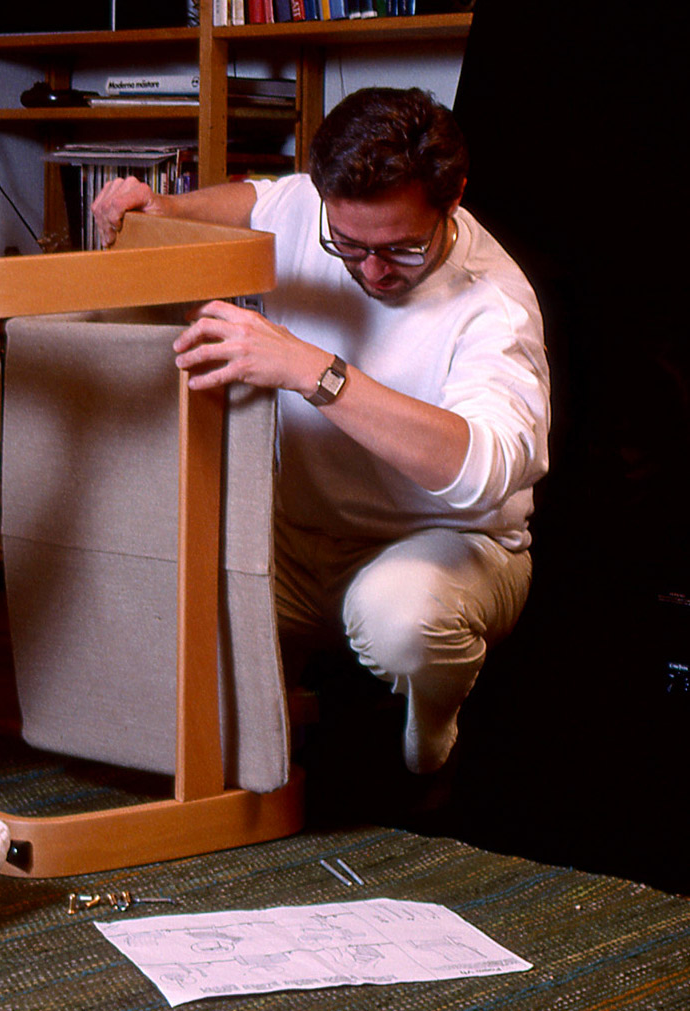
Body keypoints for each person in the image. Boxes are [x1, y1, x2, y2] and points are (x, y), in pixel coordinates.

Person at [91, 87, 549, 783]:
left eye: (398, 248)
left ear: (452, 197)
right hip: (299, 536)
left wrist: (315, 372)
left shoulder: (495, 305)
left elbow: (485, 469)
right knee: (156, 575)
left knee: (399, 618)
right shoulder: (313, 203)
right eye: (347, 245)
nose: (369, 270)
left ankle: (433, 734)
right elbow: (257, 198)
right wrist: (160, 210)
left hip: (447, 542)